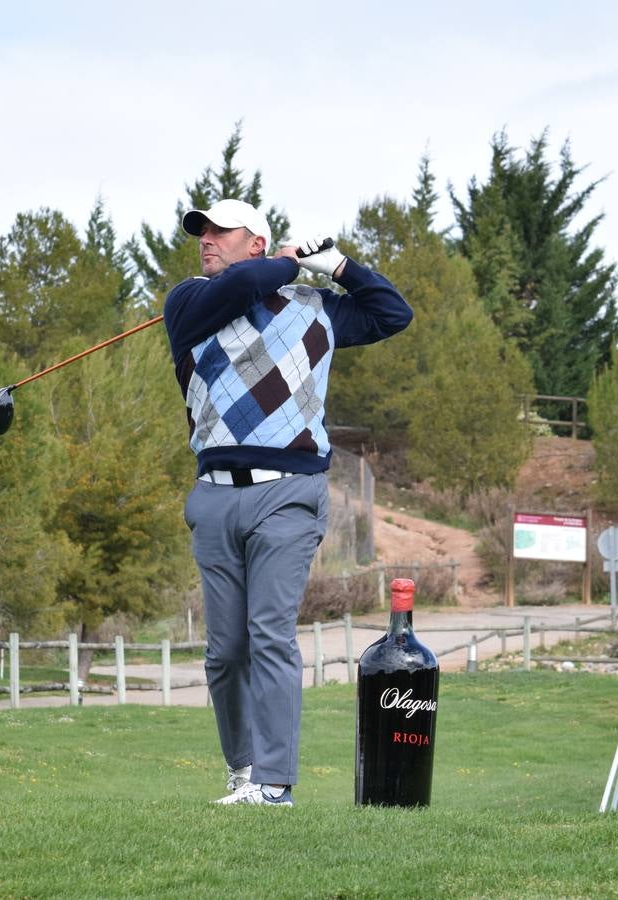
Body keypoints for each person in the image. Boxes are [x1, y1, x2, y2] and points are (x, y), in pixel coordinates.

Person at [163, 198, 413, 806]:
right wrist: (286, 262)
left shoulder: (316, 309)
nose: (207, 240)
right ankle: (242, 770)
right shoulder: (189, 303)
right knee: (225, 653)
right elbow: (249, 283)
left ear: (255, 240)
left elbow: (392, 313)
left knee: (269, 632)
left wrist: (339, 266)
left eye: (222, 231)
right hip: (216, 496)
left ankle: (274, 784)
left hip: (289, 493)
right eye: (202, 232)